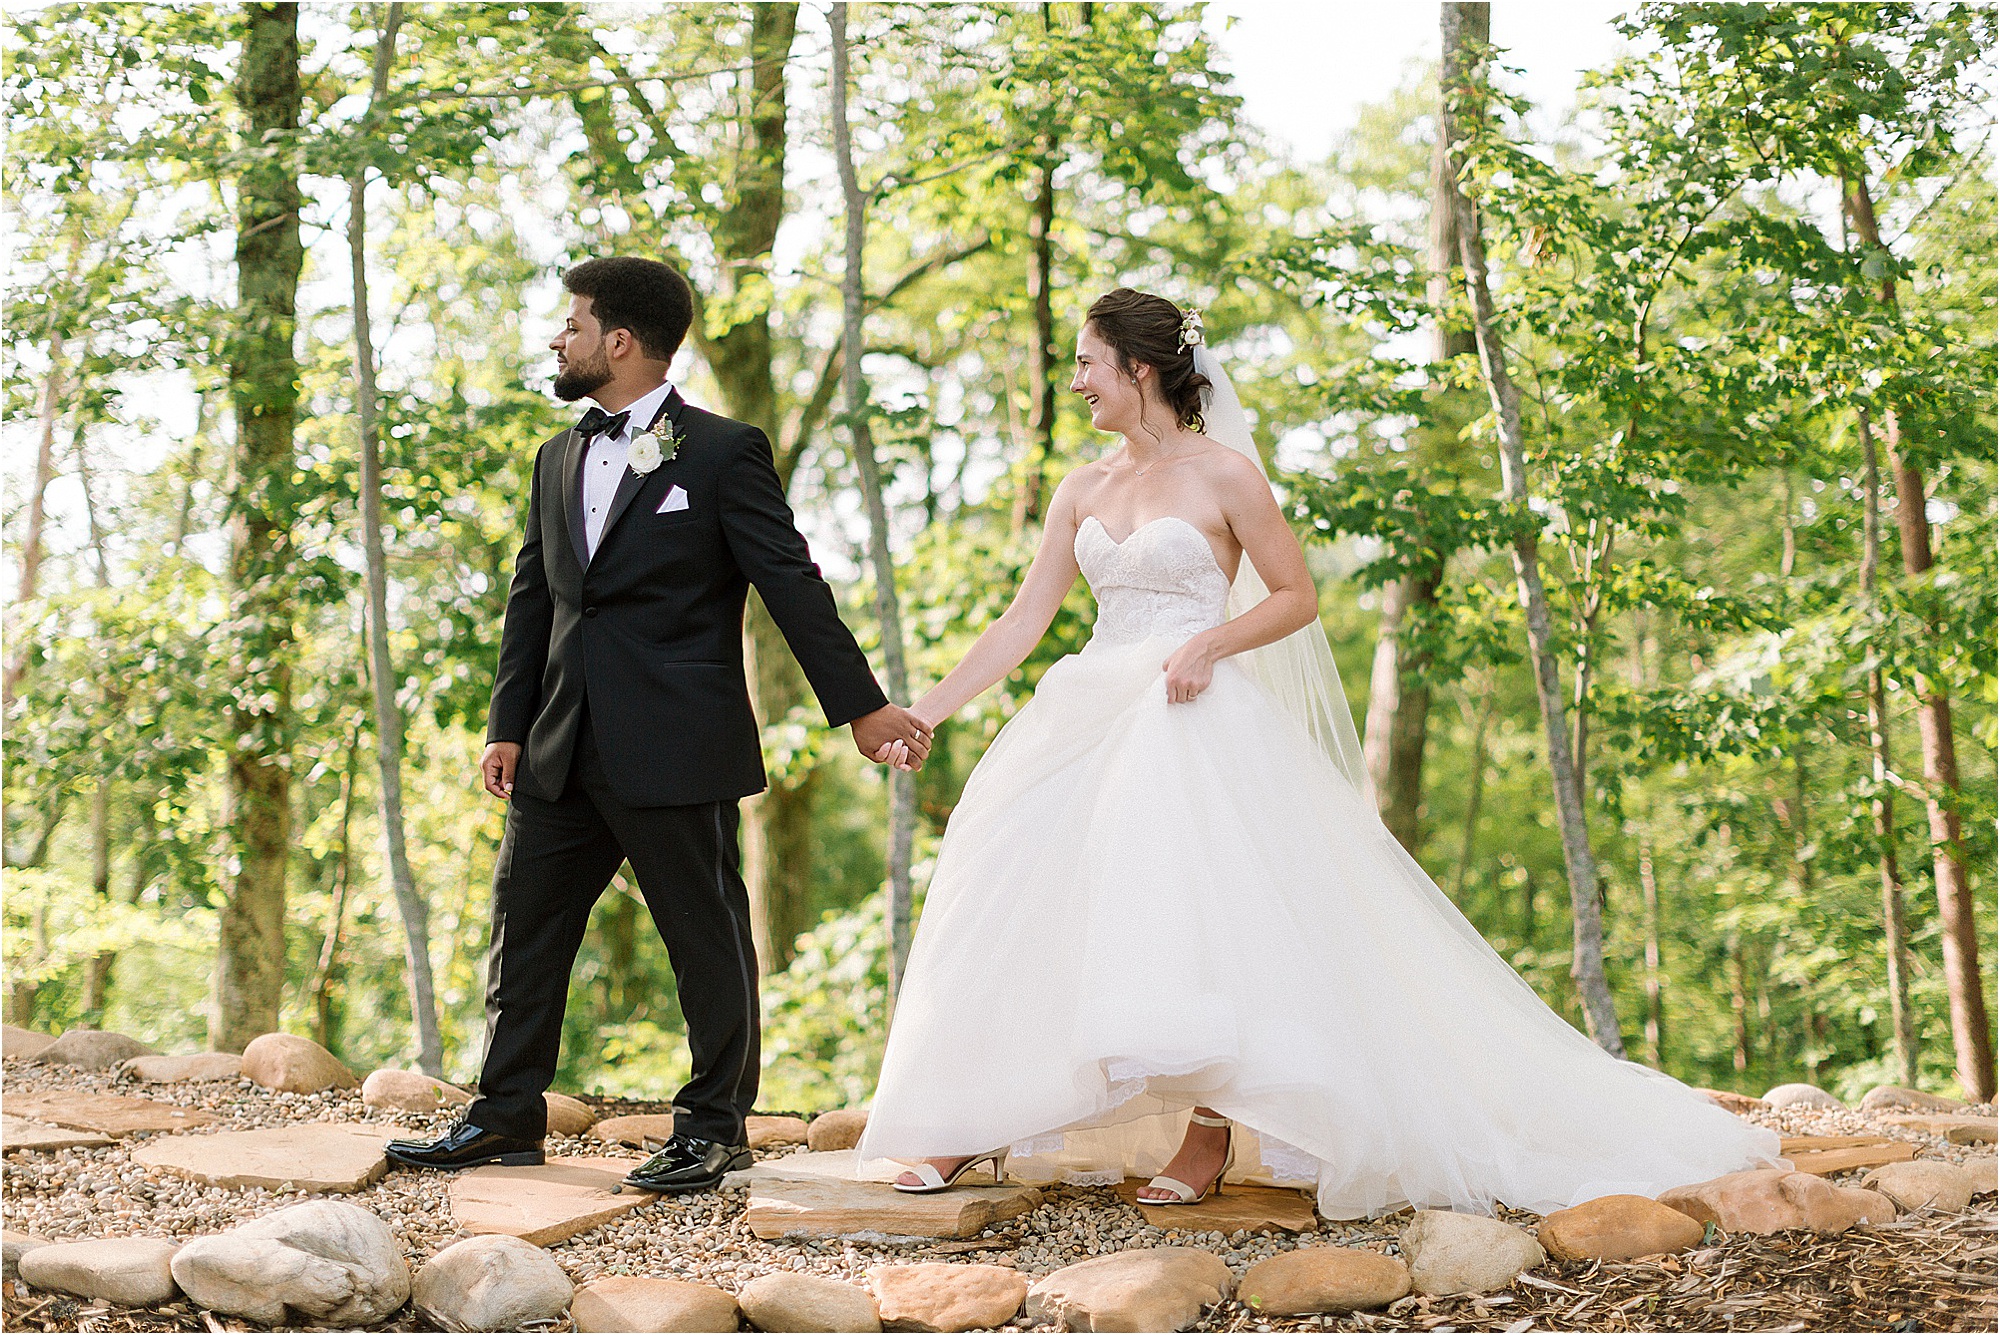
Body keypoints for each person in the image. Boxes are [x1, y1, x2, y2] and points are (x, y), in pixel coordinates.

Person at [855, 288, 1782, 1217]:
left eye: (1089, 362)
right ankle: (970, 1116)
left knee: (1202, 907)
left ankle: (1209, 1128)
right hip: (1089, 705)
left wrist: (1209, 643)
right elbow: (1027, 618)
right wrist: (922, 711)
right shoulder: (1083, 488)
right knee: (1012, 871)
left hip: (1191, 712)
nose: (1077, 381)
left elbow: (1295, 595)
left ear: (1139, 370)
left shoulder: (1225, 476)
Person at [387, 256, 932, 1194]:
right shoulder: (556, 456)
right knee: (524, 934)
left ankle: (715, 1128)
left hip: (678, 745)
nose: (560, 338)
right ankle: (503, 1115)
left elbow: (789, 583)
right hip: (558, 743)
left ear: (622, 341)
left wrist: (861, 705)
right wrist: (505, 722)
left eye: (574, 323)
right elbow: (535, 598)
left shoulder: (723, 452)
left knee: (705, 938)